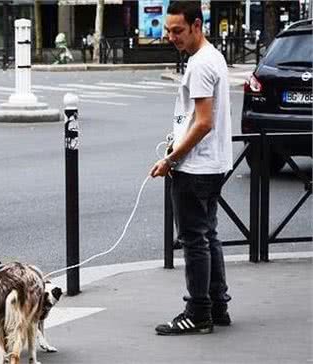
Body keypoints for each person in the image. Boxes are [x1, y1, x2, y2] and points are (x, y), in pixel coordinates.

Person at [149, 1, 233, 335]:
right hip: (215, 163)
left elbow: (203, 123)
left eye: (178, 30)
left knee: (194, 239)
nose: (171, 36)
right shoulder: (214, 57)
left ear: (197, 25)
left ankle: (198, 312)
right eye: (168, 30)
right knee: (207, 234)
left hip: (196, 167)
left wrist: (171, 158)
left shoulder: (200, 64)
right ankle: (217, 305)